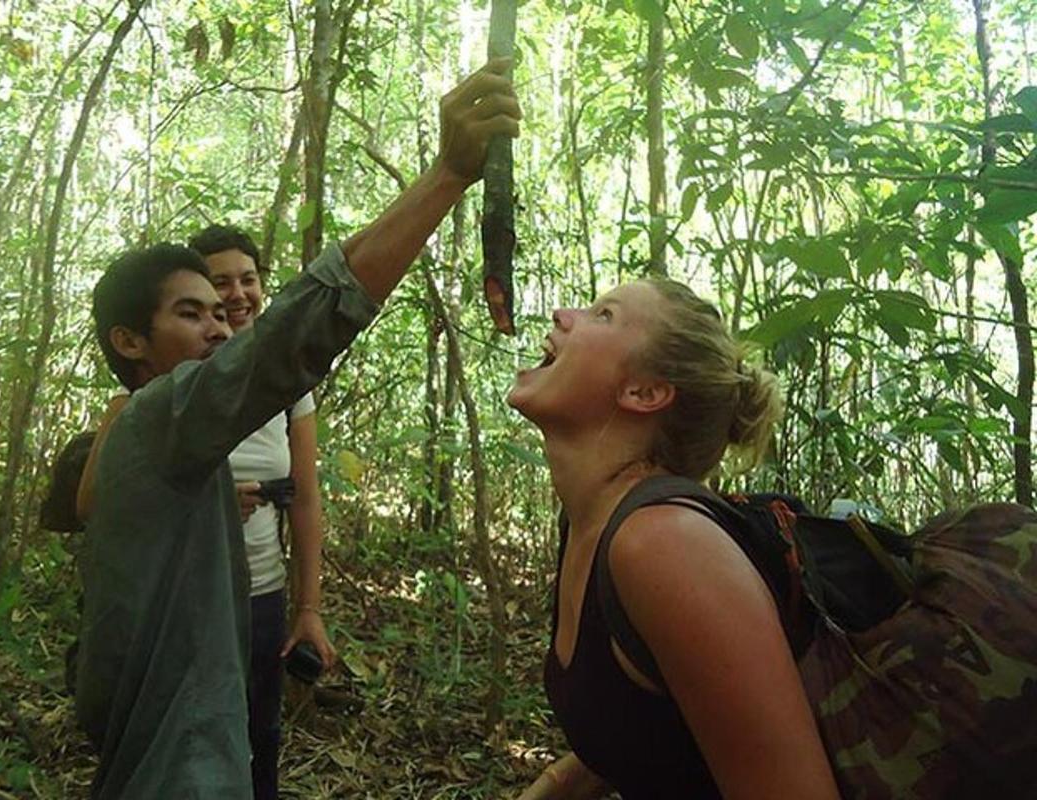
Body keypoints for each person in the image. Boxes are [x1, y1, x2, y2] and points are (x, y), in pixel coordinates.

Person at [74, 59, 521, 799]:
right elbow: (294, 335)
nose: (221, 325)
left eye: (221, 312)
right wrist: (447, 175)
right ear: (130, 342)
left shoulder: (161, 439)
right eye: (191, 312)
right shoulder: (153, 420)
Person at [509, 280, 1037, 799]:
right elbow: (662, 712)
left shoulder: (661, 545)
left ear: (645, 393)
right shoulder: (589, 525)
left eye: (604, 315)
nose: (562, 313)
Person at [187, 223, 336, 800]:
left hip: (261, 592)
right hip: (187, 592)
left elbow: (305, 494)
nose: (238, 293)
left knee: (260, 736)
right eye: (220, 282)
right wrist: (209, 501)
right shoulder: (177, 374)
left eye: (248, 279)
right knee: (190, 734)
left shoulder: (286, 380)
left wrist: (309, 607)